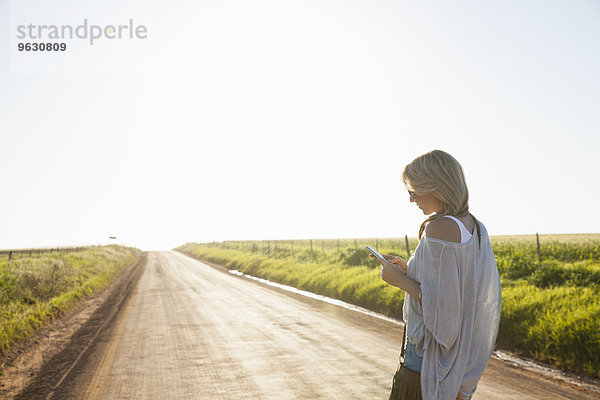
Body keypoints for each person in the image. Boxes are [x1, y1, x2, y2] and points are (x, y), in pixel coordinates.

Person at [373, 150, 502, 400]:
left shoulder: (439, 228)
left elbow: (445, 312)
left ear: (436, 187)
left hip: (426, 359)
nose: (412, 200)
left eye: (414, 192)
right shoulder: (474, 227)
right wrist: (408, 269)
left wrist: (400, 282)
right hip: (458, 362)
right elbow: (455, 290)